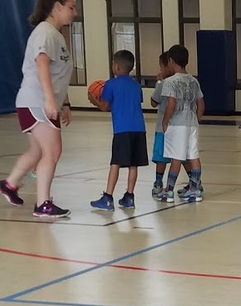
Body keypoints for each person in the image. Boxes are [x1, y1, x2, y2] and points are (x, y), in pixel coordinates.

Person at [0, 0, 77, 220]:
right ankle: (43, 204)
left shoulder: (56, 35)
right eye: (71, 7)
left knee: (37, 150)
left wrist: (65, 103)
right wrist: (50, 100)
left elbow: (57, 74)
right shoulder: (45, 33)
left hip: (38, 102)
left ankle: (10, 185)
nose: (74, 12)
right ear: (57, 7)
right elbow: (41, 64)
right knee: (52, 151)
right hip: (37, 101)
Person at [87, 50, 148, 211]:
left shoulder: (110, 84)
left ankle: (107, 197)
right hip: (139, 130)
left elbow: (105, 107)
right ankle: (129, 197)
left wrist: (94, 100)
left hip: (122, 130)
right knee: (133, 164)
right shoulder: (136, 85)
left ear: (117, 67)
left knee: (116, 163)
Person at [158, 43, 204, 203]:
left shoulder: (170, 82)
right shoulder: (194, 81)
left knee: (176, 157)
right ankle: (195, 189)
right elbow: (201, 104)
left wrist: (165, 121)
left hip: (177, 123)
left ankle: (168, 191)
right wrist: (195, 119)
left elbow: (171, 103)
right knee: (193, 156)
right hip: (191, 122)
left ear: (170, 61)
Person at [150, 51, 172, 198]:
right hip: (179, 127)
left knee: (161, 158)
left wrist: (158, 83)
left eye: (160, 66)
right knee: (182, 157)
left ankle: (158, 183)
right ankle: (193, 181)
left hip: (163, 128)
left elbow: (153, 102)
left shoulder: (163, 83)